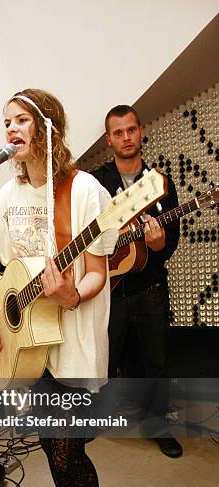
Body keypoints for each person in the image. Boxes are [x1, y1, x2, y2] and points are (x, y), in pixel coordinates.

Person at [0, 88, 118, 487]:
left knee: (68, 447)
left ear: (47, 127)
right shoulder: (6, 194)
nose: (10, 129)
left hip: (74, 342)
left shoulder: (85, 190)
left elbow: (97, 270)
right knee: (52, 443)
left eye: (21, 121)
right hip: (31, 349)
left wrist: (72, 295)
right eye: (5, 121)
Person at [91, 104, 182, 458]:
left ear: (140, 131)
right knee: (104, 359)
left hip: (150, 289)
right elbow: (89, 233)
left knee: (156, 362)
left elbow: (171, 238)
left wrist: (159, 244)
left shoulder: (159, 183)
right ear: (109, 139)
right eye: (118, 132)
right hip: (108, 291)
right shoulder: (97, 183)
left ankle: (158, 424)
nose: (126, 137)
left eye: (131, 130)